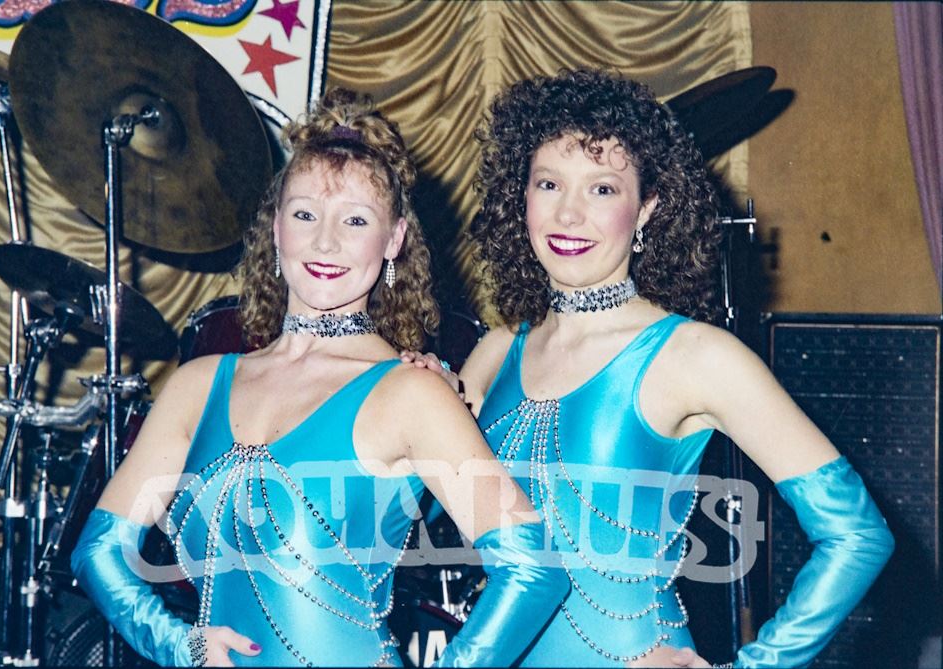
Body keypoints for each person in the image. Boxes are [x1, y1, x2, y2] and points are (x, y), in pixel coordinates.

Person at [405, 68, 894, 668]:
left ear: (646, 210)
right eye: (549, 184)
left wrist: (755, 666)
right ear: (520, 199)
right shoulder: (496, 350)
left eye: (603, 189)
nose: (569, 214)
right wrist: (418, 398)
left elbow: (857, 537)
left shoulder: (695, 355)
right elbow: (420, 527)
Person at [71, 89, 568, 667]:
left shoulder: (411, 391)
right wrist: (180, 644)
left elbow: (531, 564)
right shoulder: (197, 385)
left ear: (394, 240)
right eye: (305, 213)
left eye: (355, 220)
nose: (325, 241)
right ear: (276, 228)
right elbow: (99, 552)